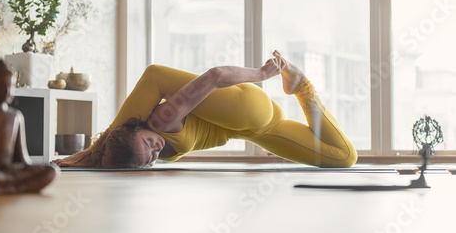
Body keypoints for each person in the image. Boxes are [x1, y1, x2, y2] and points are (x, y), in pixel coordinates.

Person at [53, 51, 357, 169]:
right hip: (252, 130)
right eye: (152, 157)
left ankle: (294, 79)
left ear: (137, 126)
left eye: (149, 142)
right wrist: (86, 162)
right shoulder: (136, 150)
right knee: (343, 157)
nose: (157, 148)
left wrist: (263, 74)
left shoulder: (163, 118)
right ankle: (303, 87)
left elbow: (213, 76)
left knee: (156, 76)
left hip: (246, 111)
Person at [0, 60, 57, 195]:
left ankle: (5, 186)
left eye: (11, 86)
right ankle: (17, 185)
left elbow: (22, 156)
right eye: (1, 85)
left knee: (51, 171)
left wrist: (27, 167)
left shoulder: (16, 117)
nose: (7, 91)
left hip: (10, 171)